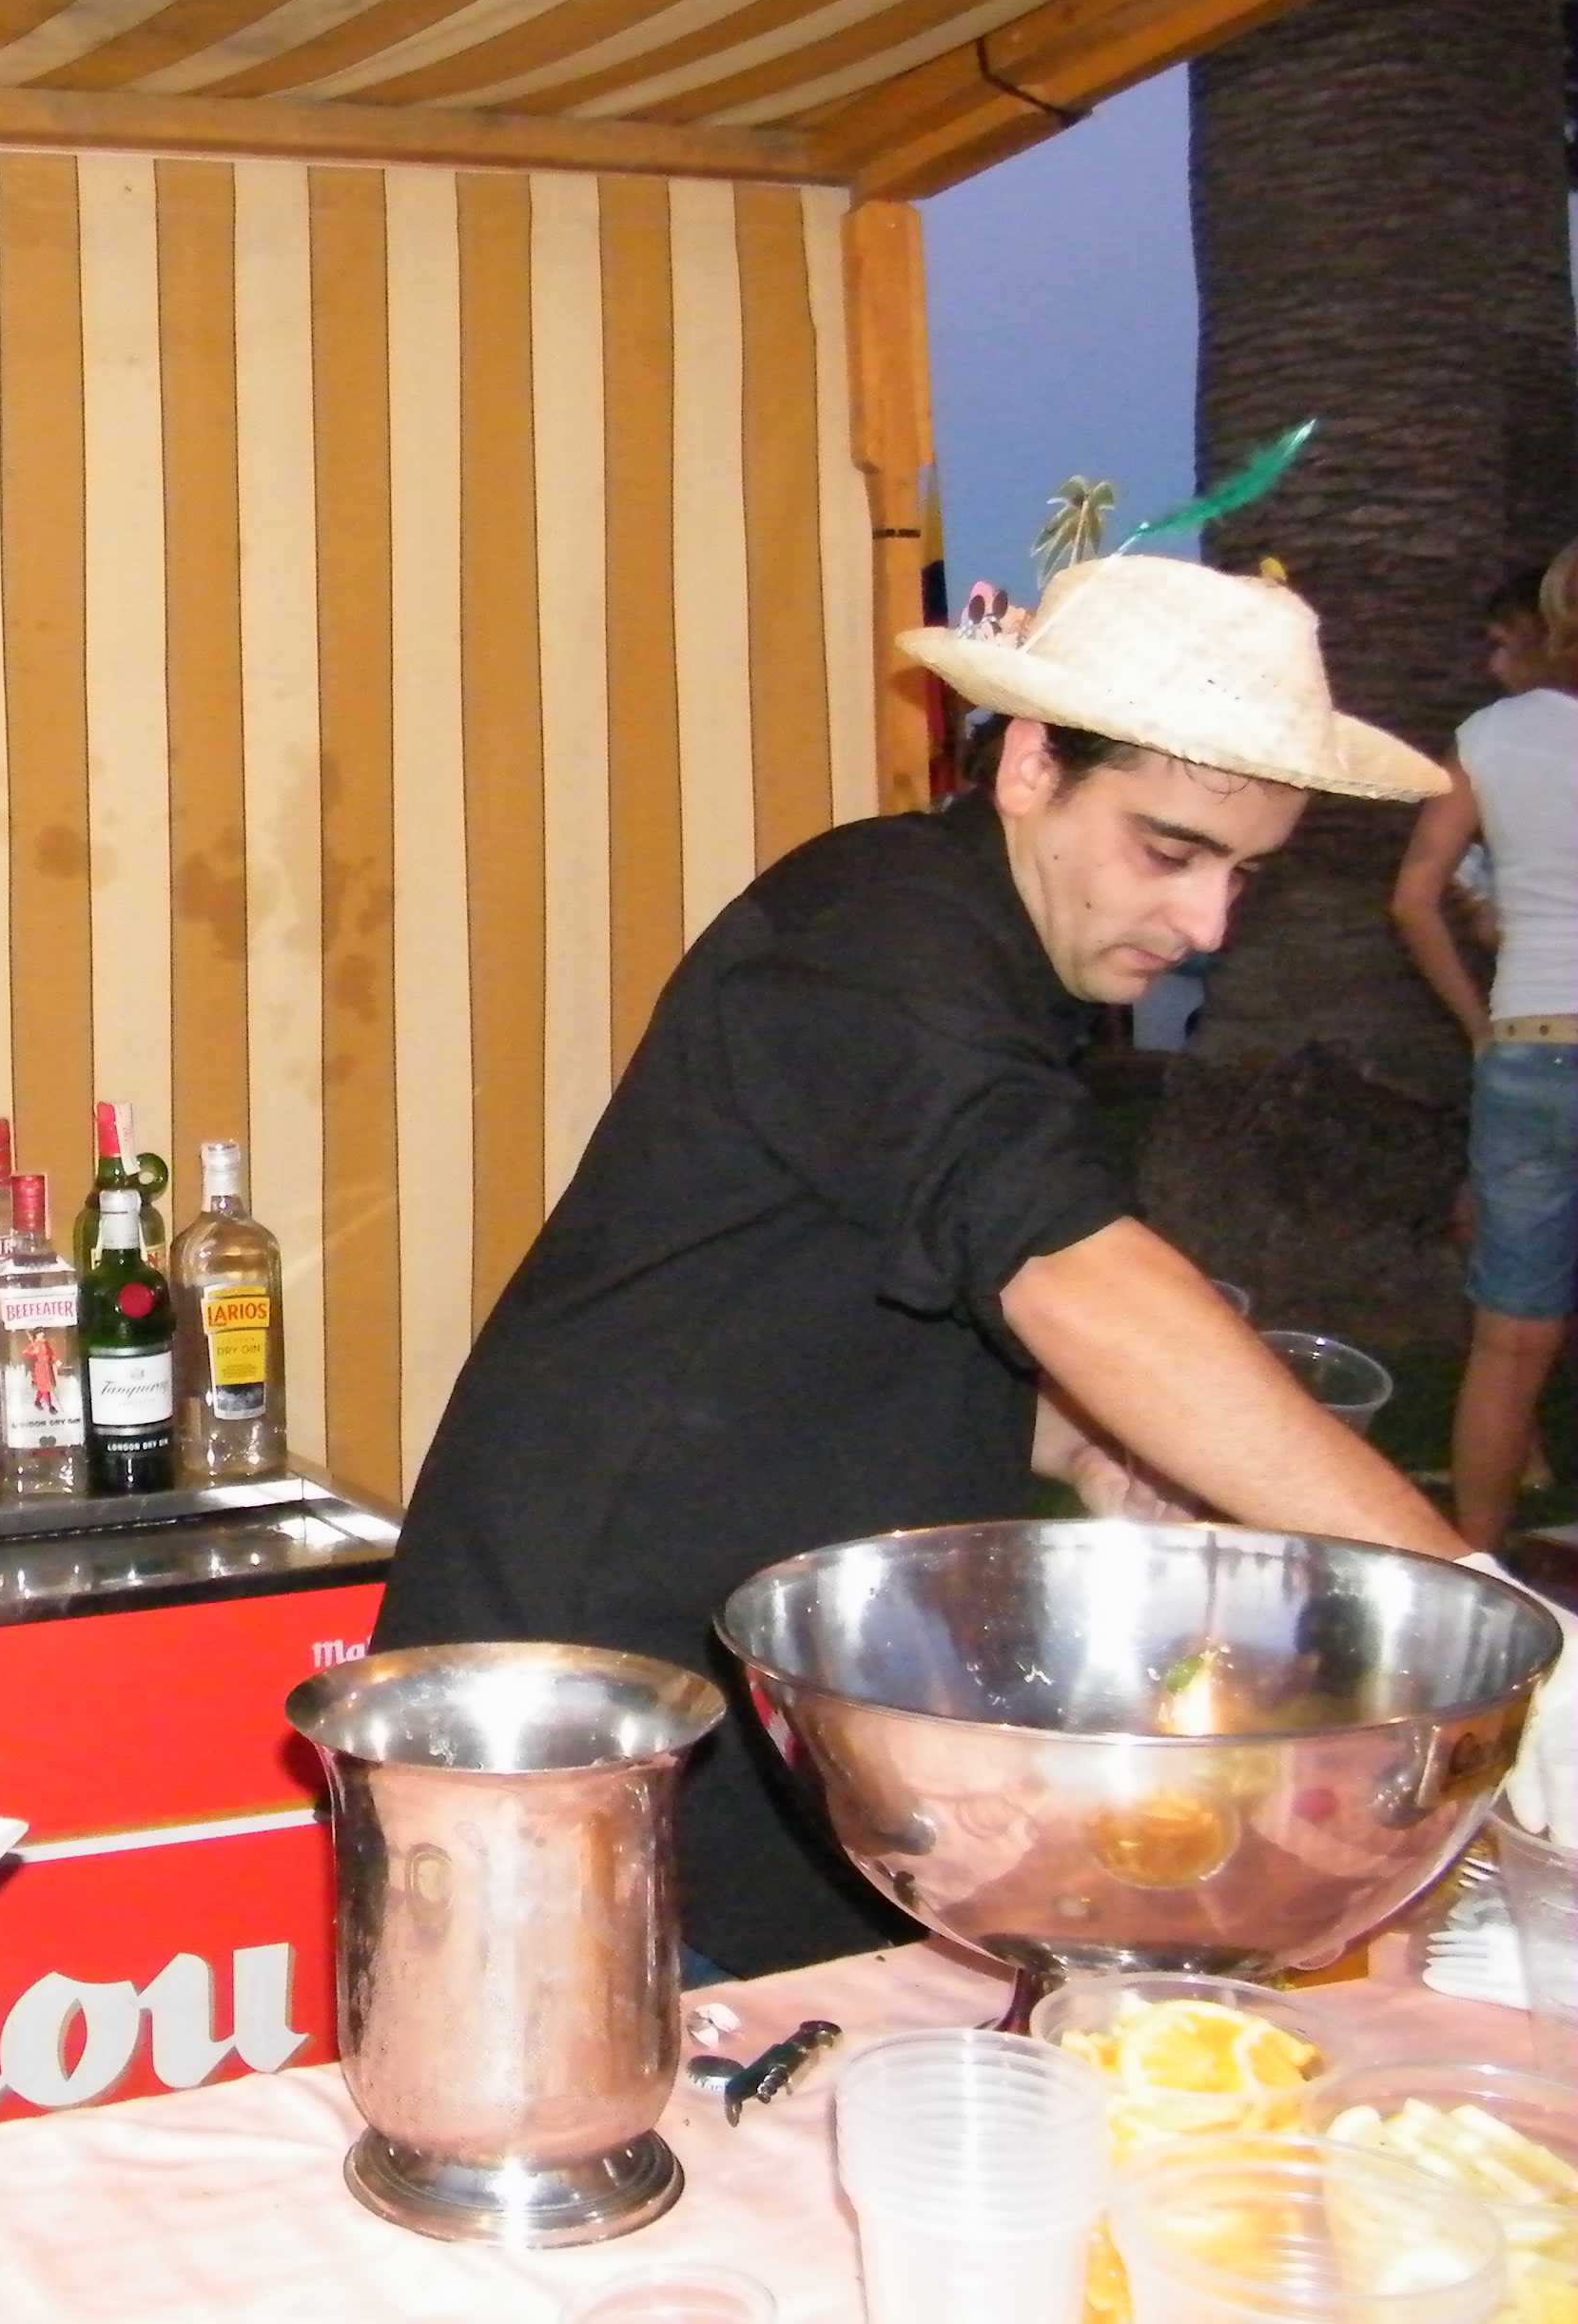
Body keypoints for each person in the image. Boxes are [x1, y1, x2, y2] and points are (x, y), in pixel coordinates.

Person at [373, 552, 1576, 1979]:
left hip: (766, 1690)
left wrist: (1089, 1441)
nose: (1206, 927)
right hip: (596, 1700)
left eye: (1241, 873)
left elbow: (856, 1298)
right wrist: (1483, 1611)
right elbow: (1069, 1273)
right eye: (1169, 851)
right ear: (1029, 767)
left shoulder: (1008, 959)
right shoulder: (872, 944)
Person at [1392, 561, 1578, 1553]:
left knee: (1509, 1343)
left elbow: (1415, 896)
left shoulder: (1493, 736)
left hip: (1529, 1048)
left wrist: (1478, 1023)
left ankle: (1481, 1578)